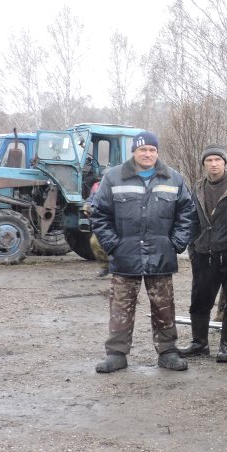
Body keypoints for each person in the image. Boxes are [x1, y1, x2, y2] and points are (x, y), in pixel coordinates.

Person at [91, 131, 196, 373]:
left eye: (152, 150)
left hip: (161, 254)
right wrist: (113, 245)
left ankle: (168, 352)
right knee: (120, 306)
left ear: (157, 152)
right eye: (142, 150)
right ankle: (116, 354)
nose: (147, 154)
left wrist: (175, 243)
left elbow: (187, 213)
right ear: (134, 152)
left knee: (164, 306)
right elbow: (99, 213)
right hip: (124, 254)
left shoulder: (173, 178)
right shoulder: (114, 177)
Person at [179, 145, 227, 363]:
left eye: (217, 160)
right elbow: (192, 220)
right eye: (209, 160)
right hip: (204, 254)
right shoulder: (198, 187)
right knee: (199, 301)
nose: (213, 164)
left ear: (224, 162)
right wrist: (193, 248)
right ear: (204, 164)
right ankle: (199, 343)